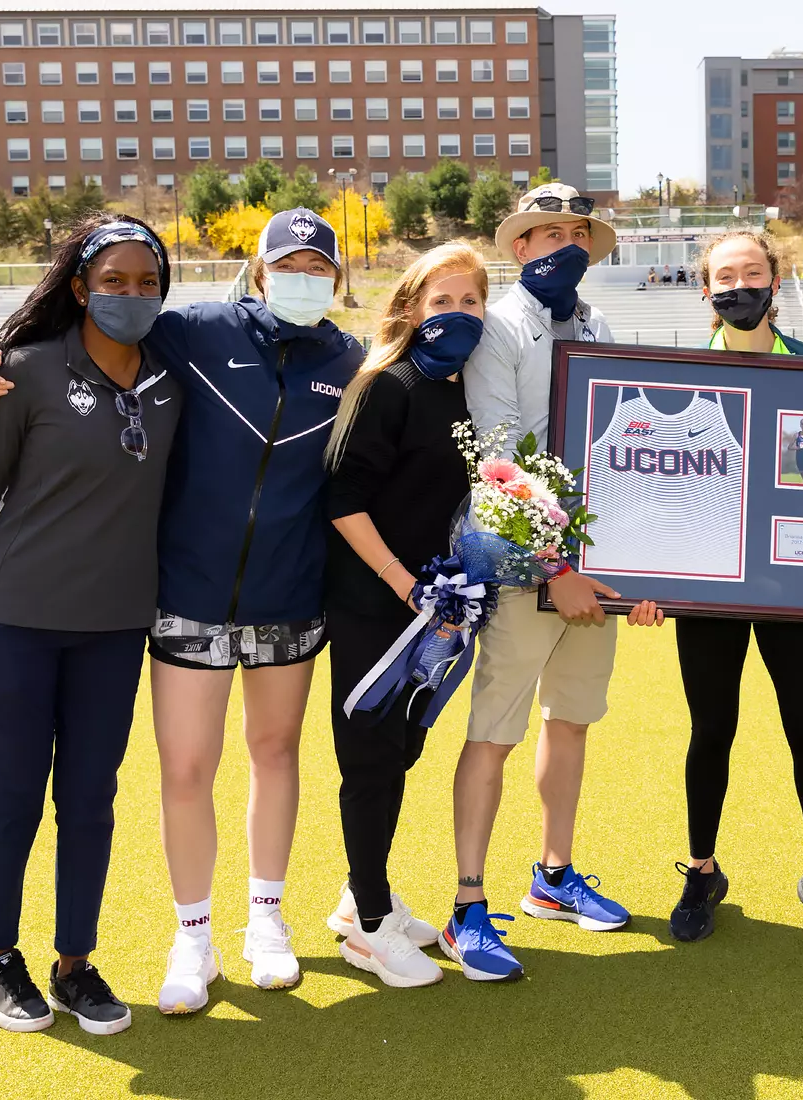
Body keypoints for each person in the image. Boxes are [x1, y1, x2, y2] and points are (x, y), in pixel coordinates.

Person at [0, 208, 364, 1012]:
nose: (302, 279)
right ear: (258, 270)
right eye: (288, 264)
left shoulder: (350, 358)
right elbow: (89, 329)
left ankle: (266, 923)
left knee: (276, 752)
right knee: (185, 770)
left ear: (336, 281)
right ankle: (193, 937)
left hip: (290, 593)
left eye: (319, 268)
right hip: (186, 595)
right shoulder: (194, 329)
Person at [0, 216, 179, 1035]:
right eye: (114, 282)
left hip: (114, 628)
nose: (132, 296)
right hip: (12, 620)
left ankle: (74, 963)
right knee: (9, 800)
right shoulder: (25, 375)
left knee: (90, 799)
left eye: (147, 283)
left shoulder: (173, 382)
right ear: (79, 288)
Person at [443, 183, 644, 982]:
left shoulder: (600, 325)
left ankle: (553, 878)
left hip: (594, 572)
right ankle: (467, 908)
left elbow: (624, 455)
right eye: (544, 232)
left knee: (572, 722)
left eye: (574, 233)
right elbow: (492, 461)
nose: (560, 245)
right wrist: (554, 567)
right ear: (518, 247)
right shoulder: (495, 330)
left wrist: (636, 571)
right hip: (525, 568)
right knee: (494, 731)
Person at [650, 229, 803, 947]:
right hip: (706, 588)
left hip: (794, 586)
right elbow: (656, 492)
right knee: (711, 728)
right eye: (725, 275)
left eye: (752, 272)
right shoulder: (675, 375)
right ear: (704, 289)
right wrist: (641, 583)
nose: (739, 285)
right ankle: (703, 869)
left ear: (776, 282)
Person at [320, 242, 489, 988]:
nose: (457, 315)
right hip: (374, 602)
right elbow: (342, 500)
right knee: (368, 756)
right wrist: (401, 583)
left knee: (399, 750)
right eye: (442, 302)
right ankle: (370, 920)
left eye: (471, 302)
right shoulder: (384, 386)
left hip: (438, 608)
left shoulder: (471, 394)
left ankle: (361, 898)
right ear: (411, 310)